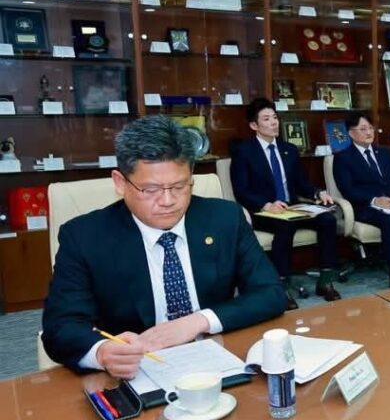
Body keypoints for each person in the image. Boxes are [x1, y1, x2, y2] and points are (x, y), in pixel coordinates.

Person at [41, 116, 287, 377]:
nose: (168, 201)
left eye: (179, 186)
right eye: (151, 190)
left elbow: (271, 293)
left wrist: (199, 321)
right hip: (136, 373)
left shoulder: (225, 218)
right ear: (120, 183)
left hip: (217, 361)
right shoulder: (84, 237)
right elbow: (60, 327)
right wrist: (102, 351)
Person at [230, 98, 342, 306]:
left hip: (291, 207)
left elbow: (301, 183)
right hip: (263, 211)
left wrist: (318, 193)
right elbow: (241, 190)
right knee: (285, 225)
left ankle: (326, 280)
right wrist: (266, 204)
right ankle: (280, 287)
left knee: (327, 219)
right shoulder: (244, 152)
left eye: (275, 117)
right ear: (254, 125)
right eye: (266, 119)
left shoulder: (288, 149)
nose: (274, 122)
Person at [333, 111, 390, 286]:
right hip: (364, 207)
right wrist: (374, 200)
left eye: (371, 128)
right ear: (351, 133)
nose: (369, 132)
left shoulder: (385, 153)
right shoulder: (343, 158)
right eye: (363, 129)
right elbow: (348, 190)